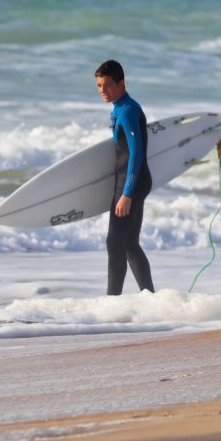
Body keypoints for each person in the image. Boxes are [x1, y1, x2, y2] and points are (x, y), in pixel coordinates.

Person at [94, 60, 155, 296]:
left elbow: (136, 152)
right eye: (99, 86)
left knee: (115, 243)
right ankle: (150, 297)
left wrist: (127, 193)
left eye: (107, 85)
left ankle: (112, 301)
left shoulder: (128, 111)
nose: (102, 91)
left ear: (121, 83)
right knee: (129, 243)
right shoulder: (121, 108)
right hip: (135, 182)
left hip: (131, 185)